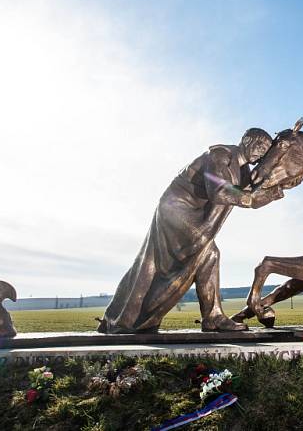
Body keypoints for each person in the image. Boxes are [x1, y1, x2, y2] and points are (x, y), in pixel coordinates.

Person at [97, 128, 282, 333]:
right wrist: (253, 199)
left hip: (188, 214)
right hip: (177, 209)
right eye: (259, 146)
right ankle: (210, 317)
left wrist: (280, 187)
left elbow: (254, 190)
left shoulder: (243, 171)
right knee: (205, 253)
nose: (260, 153)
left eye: (265, 151)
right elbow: (220, 191)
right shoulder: (220, 155)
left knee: (209, 256)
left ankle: (212, 317)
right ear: (246, 140)